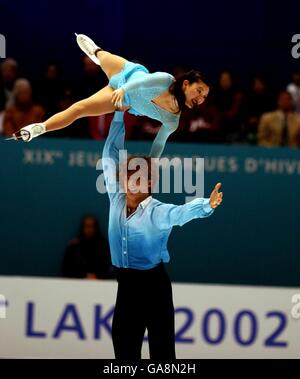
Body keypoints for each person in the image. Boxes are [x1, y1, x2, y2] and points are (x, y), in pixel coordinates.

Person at [102, 111, 223, 359]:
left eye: (138, 176)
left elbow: (181, 213)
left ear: (149, 183)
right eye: (127, 175)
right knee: (124, 354)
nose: (131, 181)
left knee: (163, 354)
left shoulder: (158, 212)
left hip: (154, 287)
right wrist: (118, 115)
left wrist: (207, 205)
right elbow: (110, 155)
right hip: (126, 287)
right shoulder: (116, 197)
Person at [10, 34, 210, 158]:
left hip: (121, 99)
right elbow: (142, 82)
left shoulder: (172, 121)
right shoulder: (167, 80)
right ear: (186, 84)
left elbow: (159, 142)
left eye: (204, 97)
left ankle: (39, 128)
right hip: (125, 72)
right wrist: (123, 88)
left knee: (79, 109)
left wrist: (151, 160)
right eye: (199, 91)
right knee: (99, 54)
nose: (200, 99)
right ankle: (95, 53)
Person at [62, 215, 112, 279]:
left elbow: (109, 269)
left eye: (92, 226)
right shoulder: (74, 246)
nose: (90, 229)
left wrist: (97, 276)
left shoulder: (104, 246)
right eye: (87, 226)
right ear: (82, 228)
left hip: (100, 283)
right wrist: (84, 276)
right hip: (77, 283)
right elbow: (66, 270)